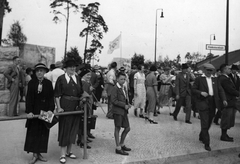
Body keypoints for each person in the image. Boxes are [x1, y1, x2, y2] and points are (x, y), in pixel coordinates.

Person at [24, 63, 55, 164]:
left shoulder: (49, 83)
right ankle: (34, 155)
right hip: (34, 112)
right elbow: (28, 98)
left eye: (41, 71)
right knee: (33, 133)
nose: (39, 73)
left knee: (43, 133)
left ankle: (40, 153)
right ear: (35, 73)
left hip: (45, 112)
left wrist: (51, 109)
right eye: (37, 71)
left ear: (45, 72)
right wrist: (29, 111)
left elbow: (51, 98)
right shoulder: (31, 83)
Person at [192, 63, 227, 151]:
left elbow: (220, 90)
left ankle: (201, 135)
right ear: (204, 70)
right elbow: (193, 89)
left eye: (211, 71)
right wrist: (200, 92)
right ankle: (207, 143)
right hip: (203, 101)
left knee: (209, 122)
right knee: (204, 121)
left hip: (213, 102)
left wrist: (224, 99)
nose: (209, 72)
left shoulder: (215, 79)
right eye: (207, 70)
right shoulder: (199, 79)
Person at [54, 59, 83, 164]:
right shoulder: (61, 79)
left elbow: (81, 92)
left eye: (74, 67)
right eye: (70, 67)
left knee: (73, 129)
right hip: (65, 105)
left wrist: (83, 100)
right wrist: (59, 107)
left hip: (76, 107)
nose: (73, 68)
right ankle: (62, 154)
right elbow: (57, 95)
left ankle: (69, 151)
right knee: (64, 129)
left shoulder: (78, 78)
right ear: (65, 68)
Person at [111, 72, 131, 156]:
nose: (123, 81)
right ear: (117, 79)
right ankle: (118, 147)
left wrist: (128, 103)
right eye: (121, 79)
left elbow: (125, 97)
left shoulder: (124, 87)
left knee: (127, 128)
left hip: (123, 111)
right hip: (118, 111)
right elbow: (114, 100)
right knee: (117, 128)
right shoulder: (115, 88)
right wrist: (124, 105)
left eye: (124, 79)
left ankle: (122, 143)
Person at [218, 64, 240, 142]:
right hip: (227, 101)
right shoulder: (223, 78)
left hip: (230, 101)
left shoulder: (225, 78)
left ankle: (225, 134)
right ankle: (223, 135)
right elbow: (230, 89)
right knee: (226, 118)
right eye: (228, 68)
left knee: (228, 118)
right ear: (224, 70)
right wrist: (238, 94)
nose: (230, 70)